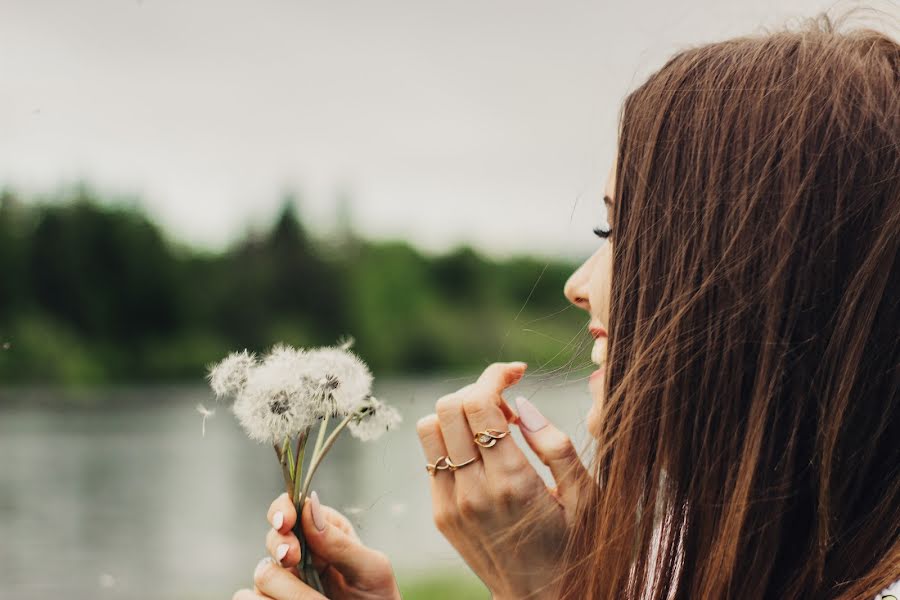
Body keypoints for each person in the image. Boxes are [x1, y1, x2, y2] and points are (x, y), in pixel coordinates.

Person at [231, 11, 899, 600]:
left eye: (624, 233)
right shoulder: (699, 550)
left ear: (765, 276)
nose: (578, 285)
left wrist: (550, 592)